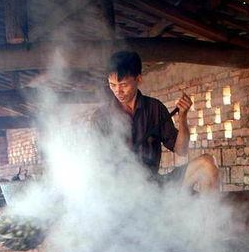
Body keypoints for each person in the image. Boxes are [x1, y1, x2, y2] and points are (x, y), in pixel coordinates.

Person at [92, 51, 219, 192]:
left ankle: (210, 207)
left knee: (207, 164)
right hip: (120, 191)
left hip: (155, 187)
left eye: (123, 85)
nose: (117, 91)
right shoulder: (101, 117)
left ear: (139, 79)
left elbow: (181, 150)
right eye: (112, 85)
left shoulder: (155, 108)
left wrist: (182, 117)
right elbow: (97, 166)